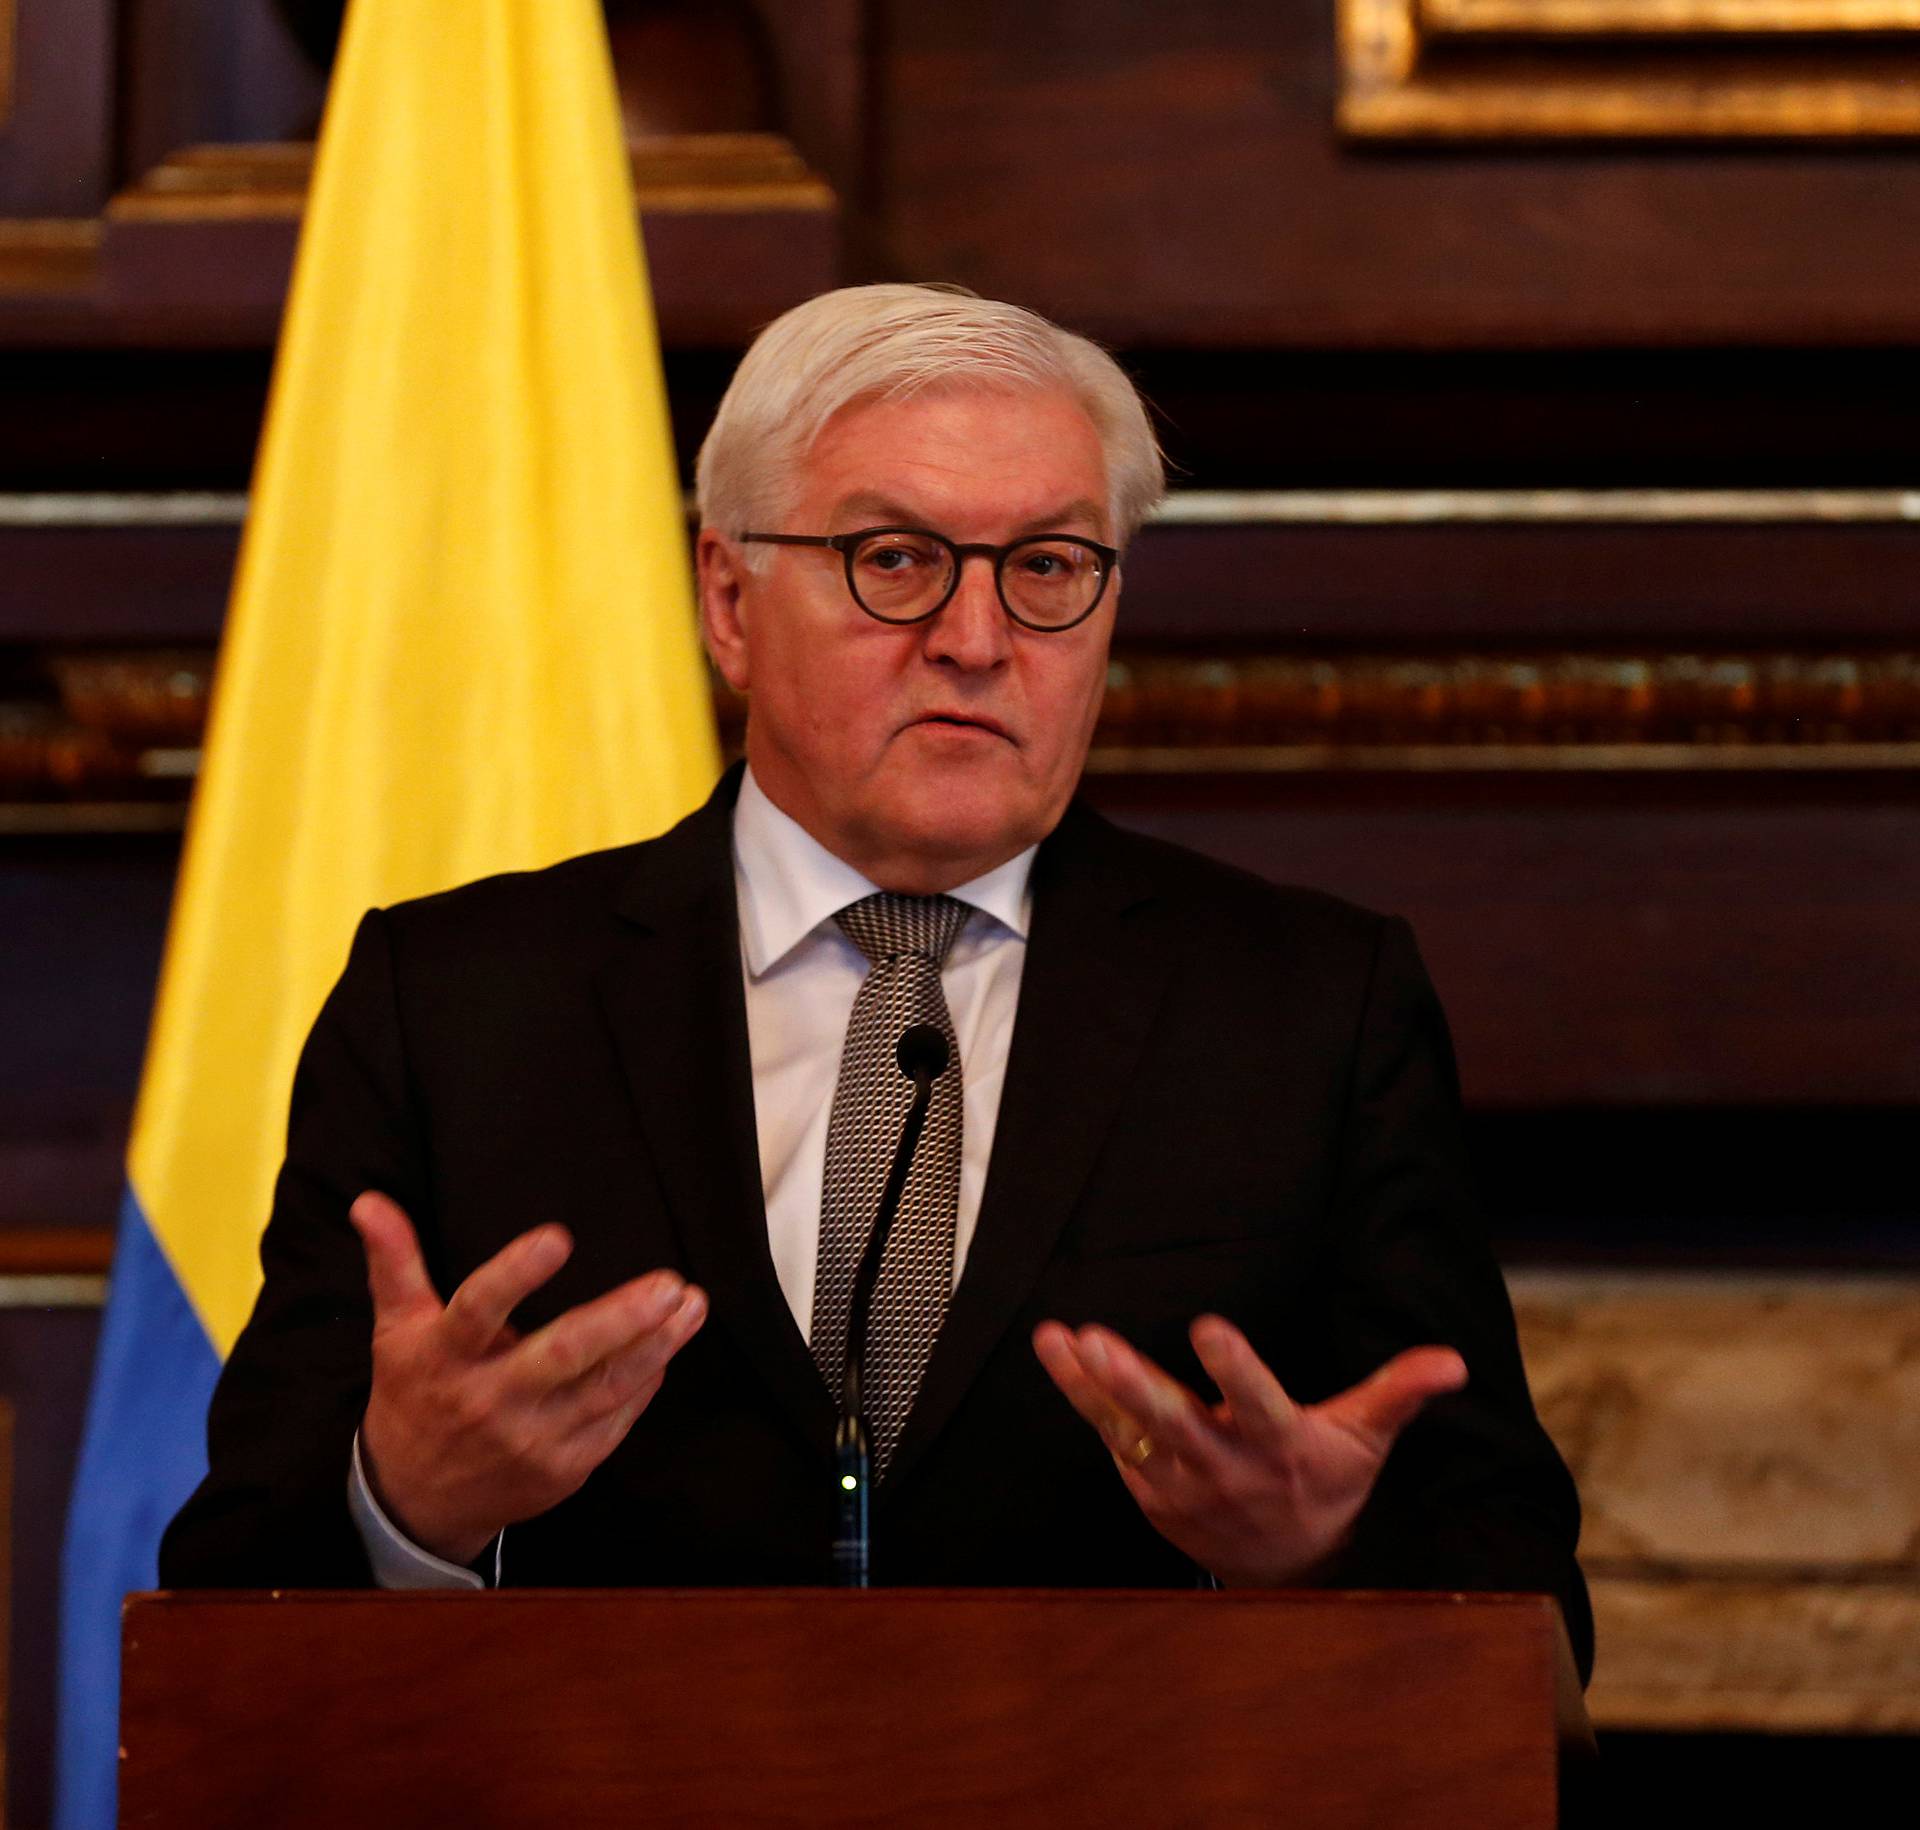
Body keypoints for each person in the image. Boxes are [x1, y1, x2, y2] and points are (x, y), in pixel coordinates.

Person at [161, 284, 1590, 1677]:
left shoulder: (1308, 1010)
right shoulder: (458, 1003)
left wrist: (1311, 1557)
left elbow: (1527, 1604)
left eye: (1046, 566)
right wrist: (408, 1504)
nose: (978, 638)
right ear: (729, 597)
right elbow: (224, 1601)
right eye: (896, 558)